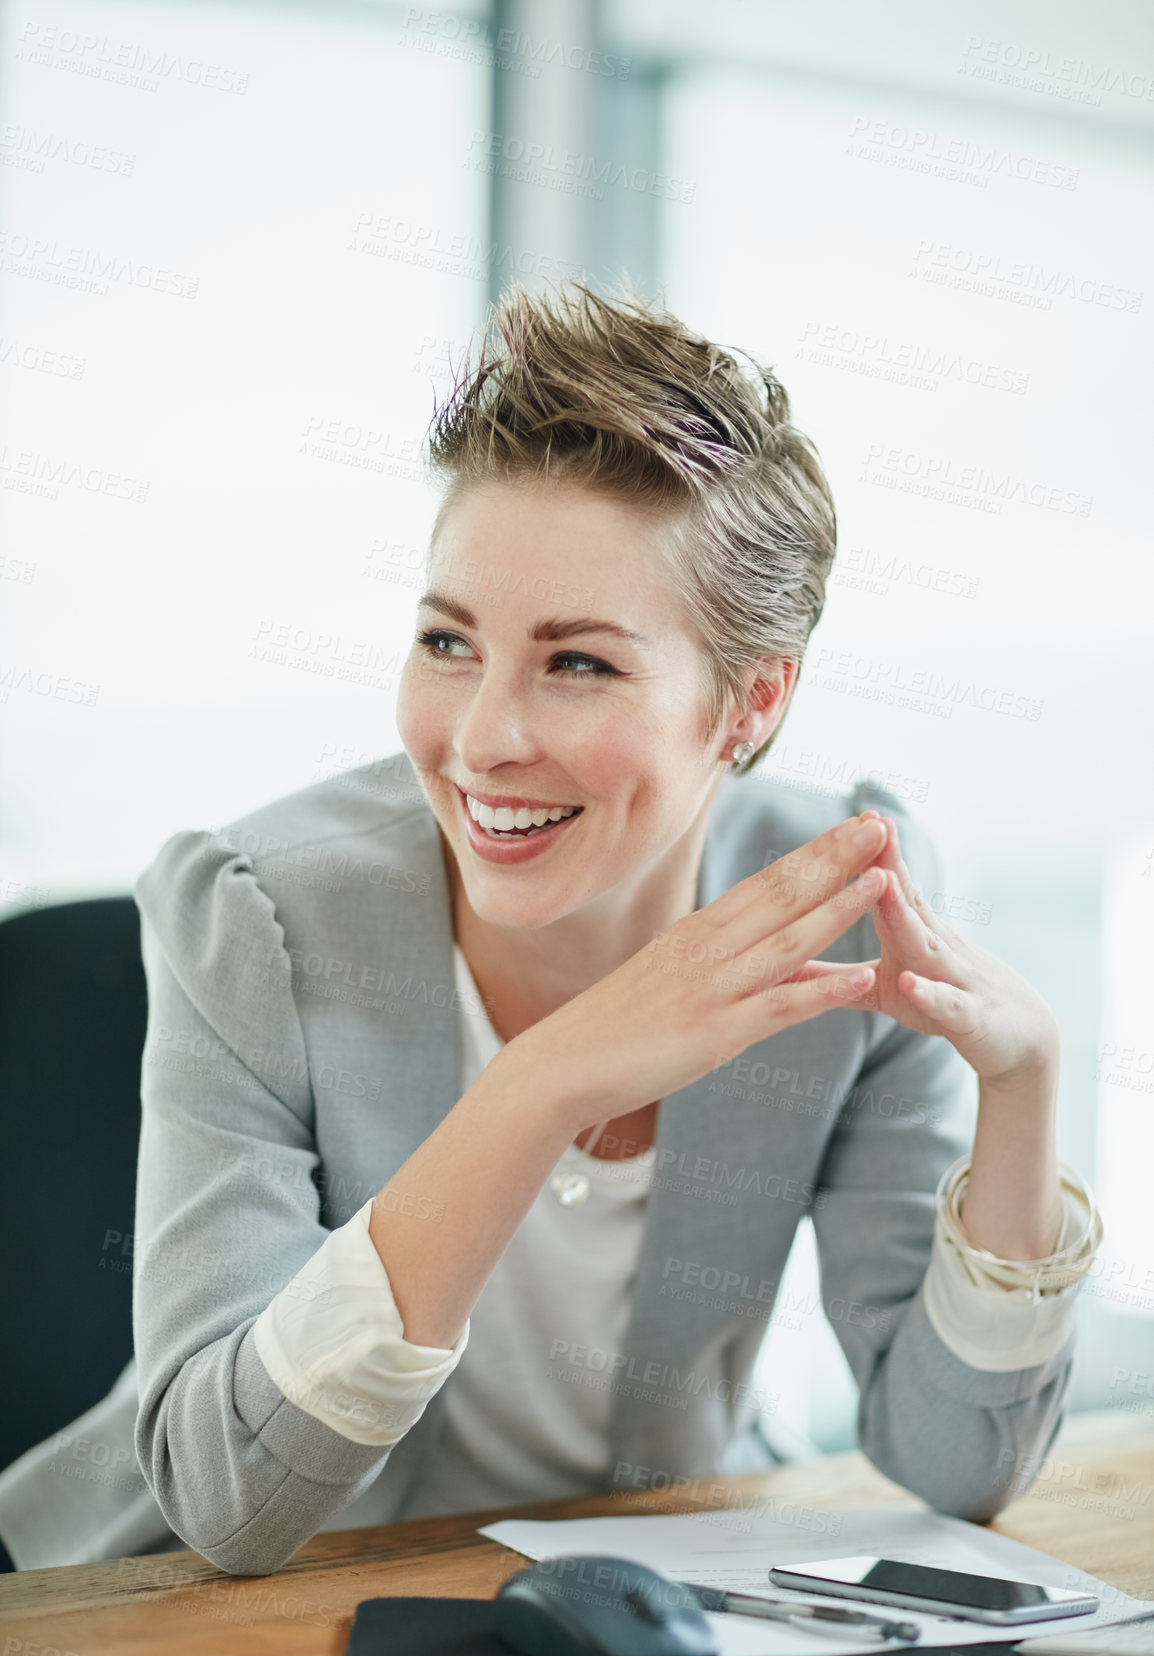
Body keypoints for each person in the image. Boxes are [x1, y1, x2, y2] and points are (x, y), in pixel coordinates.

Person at [0, 281, 1100, 1576]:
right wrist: (540, 1086)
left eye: (578, 662)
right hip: (201, 1620)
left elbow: (954, 1466)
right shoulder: (258, 914)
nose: (481, 740)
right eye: (448, 640)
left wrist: (1023, 1088)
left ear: (749, 700)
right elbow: (226, 1504)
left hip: (656, 1605)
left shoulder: (840, 895)